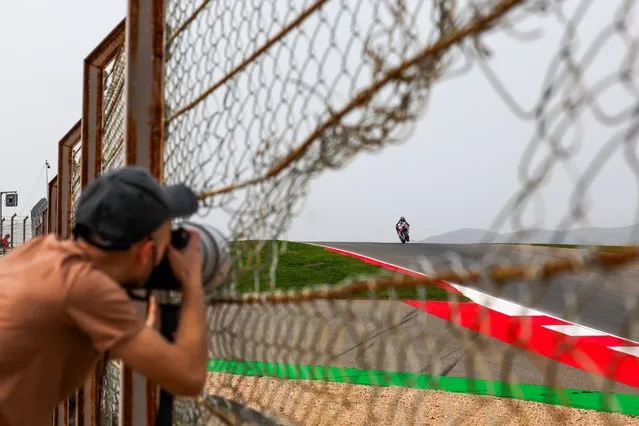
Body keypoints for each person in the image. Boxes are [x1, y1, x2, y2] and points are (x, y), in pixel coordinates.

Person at [0, 166, 207, 426]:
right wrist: (192, 282)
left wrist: (141, 331)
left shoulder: (38, 252)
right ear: (145, 253)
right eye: (166, 246)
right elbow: (189, 377)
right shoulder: (84, 287)